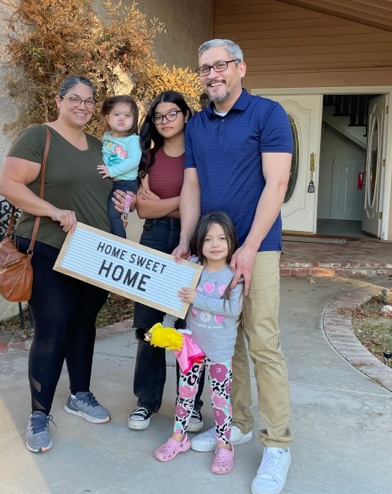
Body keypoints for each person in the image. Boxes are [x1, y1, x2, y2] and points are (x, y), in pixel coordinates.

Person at [172, 39, 294, 494]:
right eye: (204, 68)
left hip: (257, 249)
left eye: (220, 65)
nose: (212, 74)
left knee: (262, 342)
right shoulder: (198, 126)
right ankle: (238, 421)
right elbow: (190, 187)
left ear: (240, 67)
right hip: (213, 254)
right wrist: (186, 241)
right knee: (226, 342)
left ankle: (278, 444)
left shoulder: (267, 114)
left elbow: (276, 181)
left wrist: (251, 245)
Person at [0, 75, 114, 454]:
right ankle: (39, 414)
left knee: (83, 324)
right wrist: (53, 211)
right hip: (49, 248)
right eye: (75, 99)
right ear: (59, 100)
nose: (82, 106)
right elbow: (9, 185)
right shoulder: (38, 136)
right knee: (53, 327)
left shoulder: (99, 146)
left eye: (89, 101)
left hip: (92, 254)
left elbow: (105, 192)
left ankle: (79, 394)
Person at [123, 90, 205, 433]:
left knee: (190, 326)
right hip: (155, 236)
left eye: (172, 114)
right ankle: (147, 401)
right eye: (158, 116)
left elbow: (203, 199)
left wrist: (168, 202)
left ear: (186, 115)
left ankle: (192, 404)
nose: (165, 121)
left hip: (195, 237)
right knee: (148, 323)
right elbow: (144, 209)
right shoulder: (149, 156)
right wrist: (184, 200)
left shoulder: (200, 153)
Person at [153, 212, 243, 475]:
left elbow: (233, 308)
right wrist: (166, 326)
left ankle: (224, 446)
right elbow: (179, 299)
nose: (215, 244)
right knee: (185, 394)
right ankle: (178, 439)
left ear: (232, 241)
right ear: (199, 243)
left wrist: (197, 297)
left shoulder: (234, 274)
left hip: (220, 350)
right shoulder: (193, 268)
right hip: (191, 347)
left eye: (222, 238)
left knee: (220, 399)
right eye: (208, 239)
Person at [97, 95, 141, 238]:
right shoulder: (106, 137)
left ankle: (120, 242)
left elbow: (134, 160)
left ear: (134, 120)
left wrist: (112, 171)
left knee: (114, 213)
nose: (122, 118)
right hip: (108, 182)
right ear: (108, 118)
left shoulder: (133, 140)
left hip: (125, 185)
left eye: (127, 115)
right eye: (117, 114)